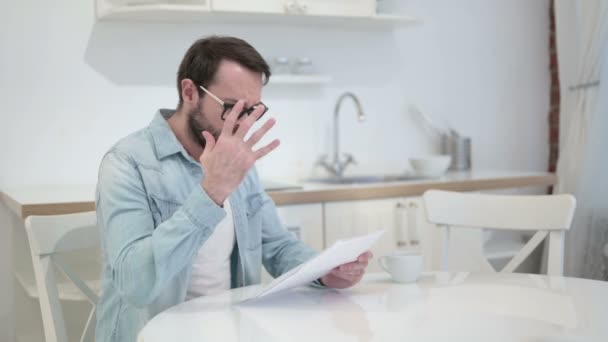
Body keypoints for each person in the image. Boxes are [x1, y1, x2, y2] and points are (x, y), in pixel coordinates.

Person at [94, 35, 372, 342]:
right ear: (190, 92)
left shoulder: (238, 159)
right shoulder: (127, 163)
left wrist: (325, 271)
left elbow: (276, 246)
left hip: (231, 329)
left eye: (253, 111)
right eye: (232, 108)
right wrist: (211, 192)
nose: (243, 124)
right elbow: (136, 285)